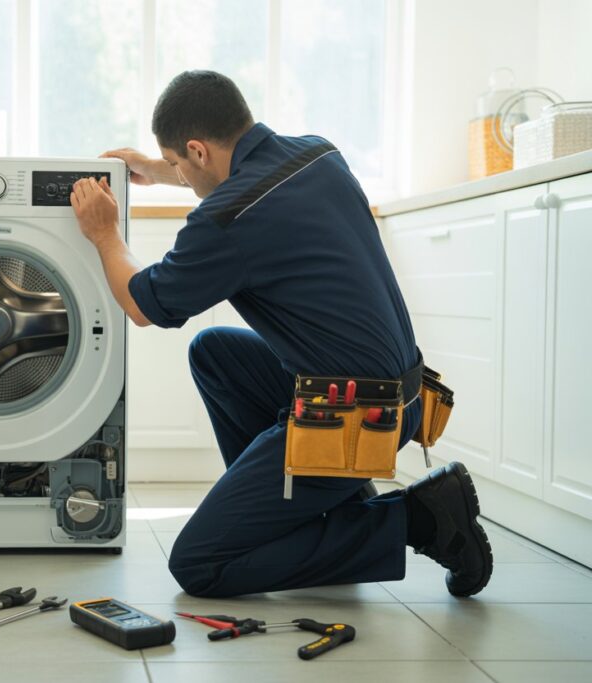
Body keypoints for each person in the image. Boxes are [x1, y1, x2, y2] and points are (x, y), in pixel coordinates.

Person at [68, 70, 493, 598]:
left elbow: (142, 303)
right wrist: (158, 167)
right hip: (400, 393)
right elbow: (229, 176)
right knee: (214, 351)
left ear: (197, 151)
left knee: (201, 564)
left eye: (179, 163)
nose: (179, 172)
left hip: (356, 419)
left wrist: (103, 233)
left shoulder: (228, 219)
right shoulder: (318, 154)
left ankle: (420, 518)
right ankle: (309, 510)